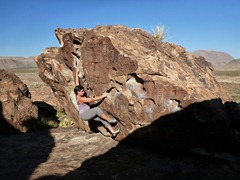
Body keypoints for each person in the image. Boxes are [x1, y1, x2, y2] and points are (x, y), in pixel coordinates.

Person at [74, 70, 120, 138]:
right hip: (85, 115)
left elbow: (77, 83)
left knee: (102, 119)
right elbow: (91, 99)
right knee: (96, 110)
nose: (83, 92)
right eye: (82, 91)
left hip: (87, 113)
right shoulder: (80, 99)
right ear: (78, 92)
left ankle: (113, 132)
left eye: (83, 90)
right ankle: (109, 120)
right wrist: (103, 96)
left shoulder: (77, 93)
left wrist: (76, 73)